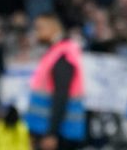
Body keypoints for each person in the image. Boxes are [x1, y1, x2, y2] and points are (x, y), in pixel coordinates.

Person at [24, 13, 85, 150]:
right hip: (45, 129)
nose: (36, 33)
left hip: (59, 134)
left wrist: (52, 133)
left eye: (40, 28)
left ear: (53, 27)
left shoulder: (63, 54)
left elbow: (61, 96)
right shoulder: (55, 52)